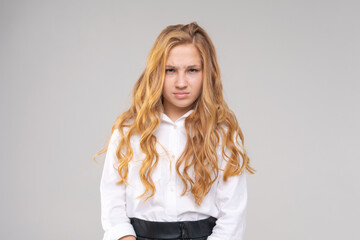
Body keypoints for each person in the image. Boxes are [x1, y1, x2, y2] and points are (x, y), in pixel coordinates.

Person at [94, 22, 255, 240]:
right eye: (170, 70)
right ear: (156, 72)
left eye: (192, 70)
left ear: (206, 74)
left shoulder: (222, 134)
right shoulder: (128, 131)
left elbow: (232, 215)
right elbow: (112, 201)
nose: (181, 82)